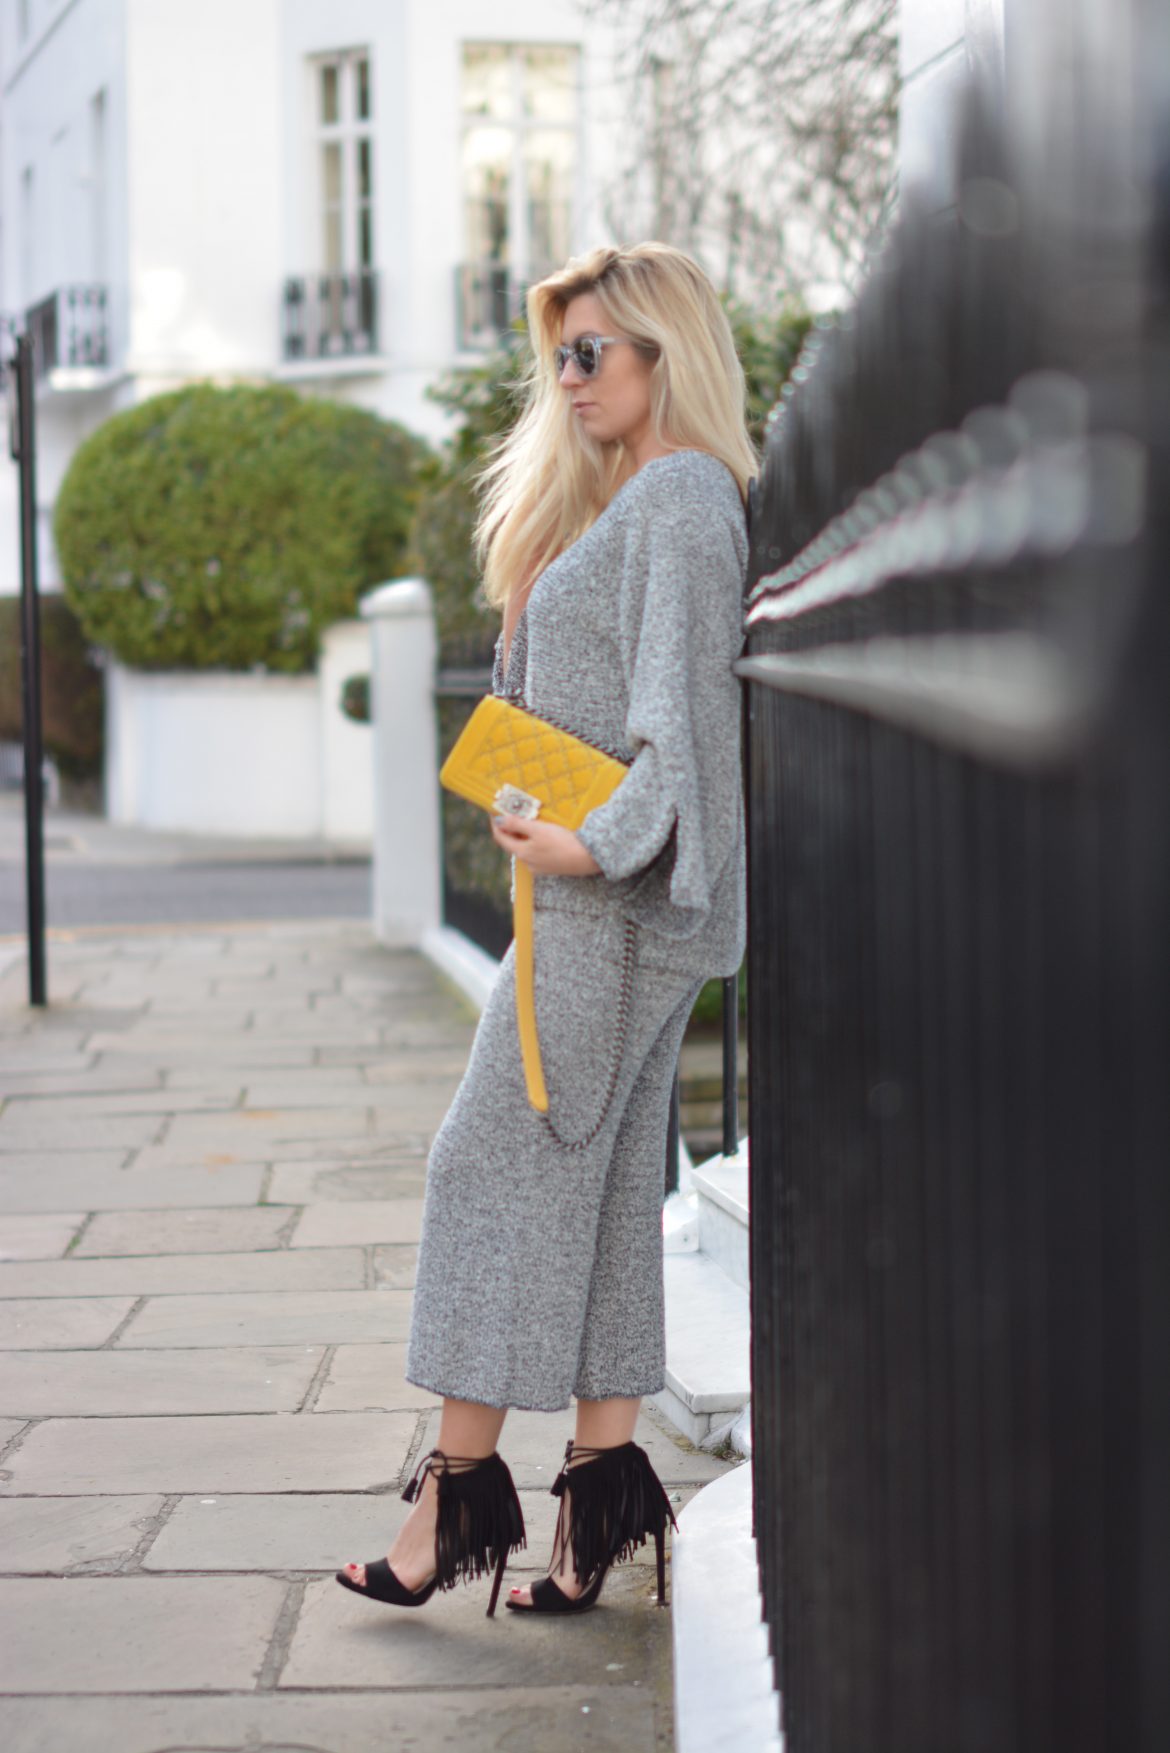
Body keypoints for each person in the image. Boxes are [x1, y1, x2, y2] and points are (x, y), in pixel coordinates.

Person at [335, 242, 756, 1618]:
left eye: (591, 352)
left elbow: (685, 722)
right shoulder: (639, 496)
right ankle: (595, 1514)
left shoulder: (681, 495)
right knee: (606, 1201)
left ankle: (447, 1508)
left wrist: (595, 842)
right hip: (598, 910)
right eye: (557, 355)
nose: (566, 378)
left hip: (607, 914)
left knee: (483, 1166)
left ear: (663, 353)